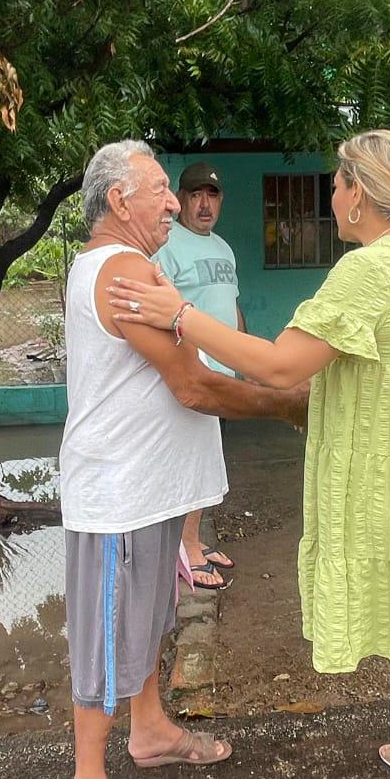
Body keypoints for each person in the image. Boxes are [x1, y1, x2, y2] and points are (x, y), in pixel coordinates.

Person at [108, 130, 390, 779]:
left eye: (335, 183)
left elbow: (279, 364)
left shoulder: (374, 269)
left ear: (358, 192)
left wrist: (178, 315)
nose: (331, 195)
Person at [60, 139, 308, 779]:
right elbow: (194, 385)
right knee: (109, 634)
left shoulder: (132, 266)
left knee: (147, 618)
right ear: (119, 200)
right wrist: (287, 403)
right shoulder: (122, 272)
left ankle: (150, 731)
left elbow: (192, 350)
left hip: (149, 487)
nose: (174, 201)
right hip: (119, 493)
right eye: (161, 189)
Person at [153, 161, 245, 590]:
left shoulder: (224, 248)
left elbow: (230, 307)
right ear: (182, 200)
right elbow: (161, 313)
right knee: (191, 464)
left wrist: (244, 358)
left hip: (221, 374)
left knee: (206, 463)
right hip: (193, 375)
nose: (204, 204)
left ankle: (193, 540)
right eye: (195, 195)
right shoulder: (169, 247)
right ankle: (187, 550)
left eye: (212, 195)